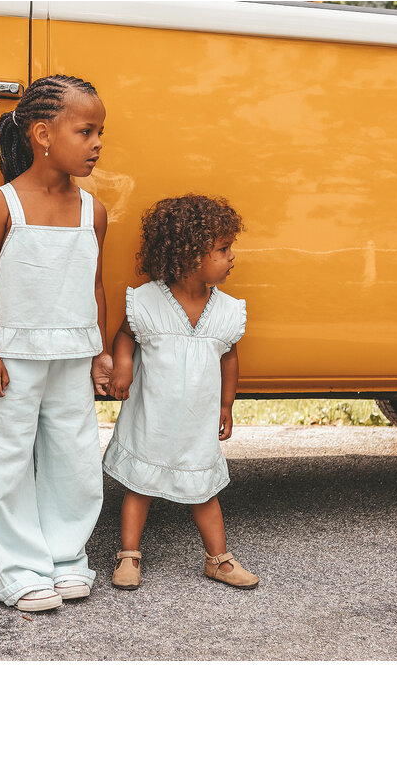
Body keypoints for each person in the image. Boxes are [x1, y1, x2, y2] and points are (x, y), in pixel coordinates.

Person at [0, 74, 113, 613]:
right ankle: (17, 568)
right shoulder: (4, 204)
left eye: (100, 133)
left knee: (73, 459)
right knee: (6, 458)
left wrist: (99, 352)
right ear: (43, 134)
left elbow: (93, 283)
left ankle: (65, 557)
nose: (97, 143)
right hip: (13, 358)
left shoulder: (92, 211)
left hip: (72, 357)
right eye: (86, 131)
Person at [103, 194, 260, 590]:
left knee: (203, 490)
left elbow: (229, 358)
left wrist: (226, 404)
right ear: (191, 256)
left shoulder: (226, 310)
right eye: (223, 249)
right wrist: (122, 364)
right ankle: (129, 555)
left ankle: (218, 559)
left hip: (195, 421)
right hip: (152, 417)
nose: (231, 257)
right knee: (140, 487)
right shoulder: (149, 301)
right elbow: (126, 336)